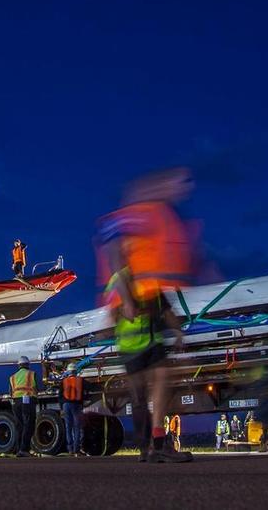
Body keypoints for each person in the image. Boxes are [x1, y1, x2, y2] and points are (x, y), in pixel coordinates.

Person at [96, 168, 195, 463]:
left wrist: (177, 332)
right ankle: (145, 448)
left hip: (151, 341)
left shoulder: (149, 281)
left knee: (162, 382)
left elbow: (165, 307)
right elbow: (115, 275)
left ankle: (158, 443)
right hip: (131, 348)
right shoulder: (120, 277)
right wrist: (123, 308)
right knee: (139, 397)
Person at [9, 356, 38, 457]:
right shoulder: (31, 374)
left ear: (19, 365)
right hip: (27, 400)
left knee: (19, 425)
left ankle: (19, 450)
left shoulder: (13, 377)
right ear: (28, 364)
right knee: (29, 424)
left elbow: (10, 392)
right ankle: (24, 449)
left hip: (16, 402)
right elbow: (36, 387)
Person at [59, 363, 84, 456]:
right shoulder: (80, 380)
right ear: (76, 371)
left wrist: (61, 407)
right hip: (76, 405)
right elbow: (85, 392)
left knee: (68, 427)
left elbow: (60, 395)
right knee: (77, 427)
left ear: (68, 371)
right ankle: (77, 449)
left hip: (66, 405)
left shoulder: (63, 381)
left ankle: (70, 449)